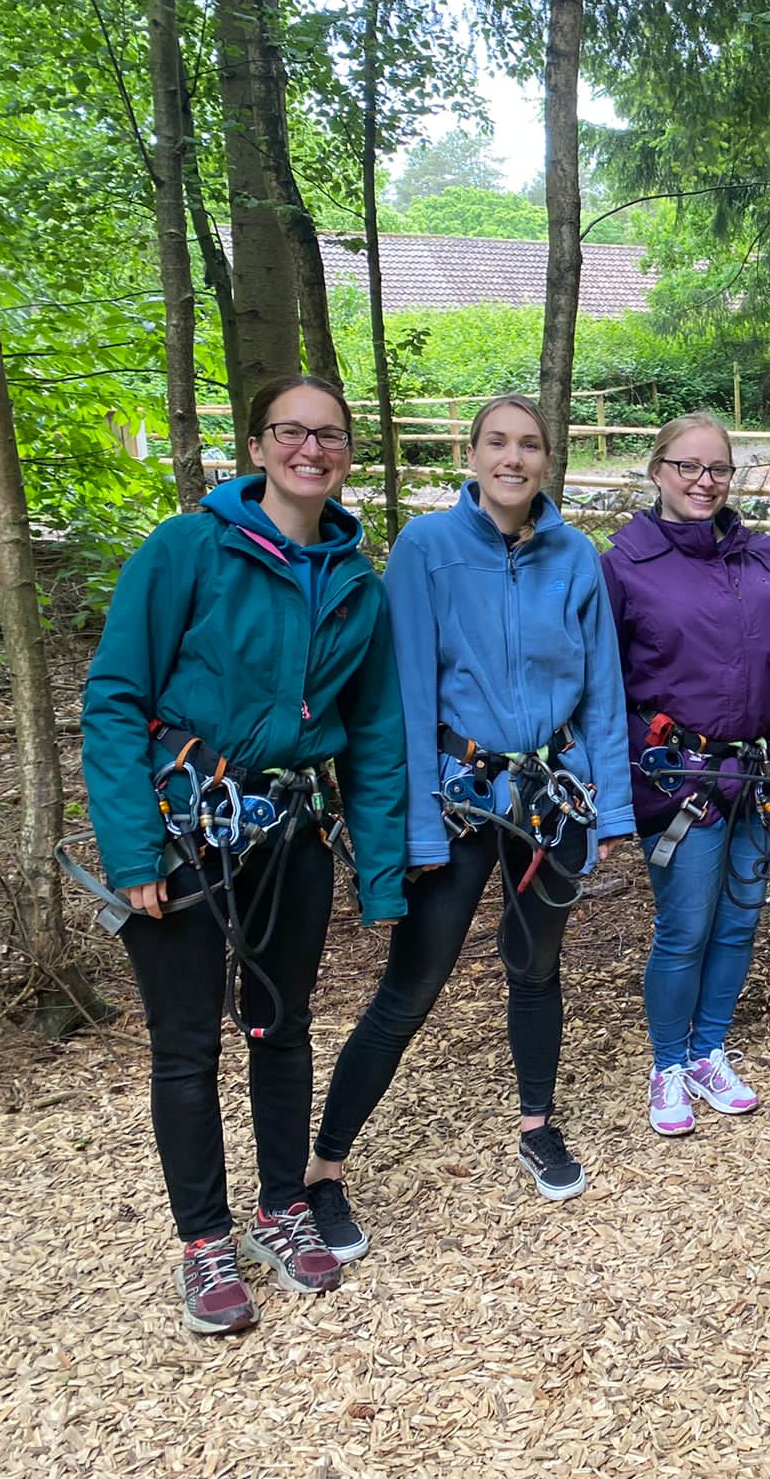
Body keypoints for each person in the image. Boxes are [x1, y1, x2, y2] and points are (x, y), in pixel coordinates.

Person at [80, 375, 407, 1334]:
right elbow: (115, 698)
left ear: (346, 455)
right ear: (258, 446)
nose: (312, 449)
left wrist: (380, 872)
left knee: (282, 1026)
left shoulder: (358, 584)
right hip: (187, 830)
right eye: (291, 432)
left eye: (330, 436)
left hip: (290, 833)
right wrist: (133, 849)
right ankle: (203, 1241)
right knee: (186, 1045)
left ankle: (280, 1207)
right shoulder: (188, 549)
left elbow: (375, 735)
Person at [304, 396, 635, 1258]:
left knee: (537, 967)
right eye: (497, 442)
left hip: (552, 796)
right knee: (412, 985)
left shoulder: (575, 555)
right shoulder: (427, 548)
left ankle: (536, 1124)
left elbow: (604, 688)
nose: (512, 459)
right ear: (473, 453)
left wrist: (611, 808)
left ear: (548, 460)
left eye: (529, 445)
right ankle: (324, 1168)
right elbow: (404, 695)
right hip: (460, 797)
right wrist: (416, 827)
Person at [602, 411, 770, 1137]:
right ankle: (668, 1064)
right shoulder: (625, 566)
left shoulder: (761, 561)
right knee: (685, 925)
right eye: (687, 466)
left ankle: (709, 1050)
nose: (703, 481)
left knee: (740, 919)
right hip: (677, 773)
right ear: (658, 470)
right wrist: (623, 776)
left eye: (717, 468)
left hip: (756, 767)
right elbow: (602, 684)